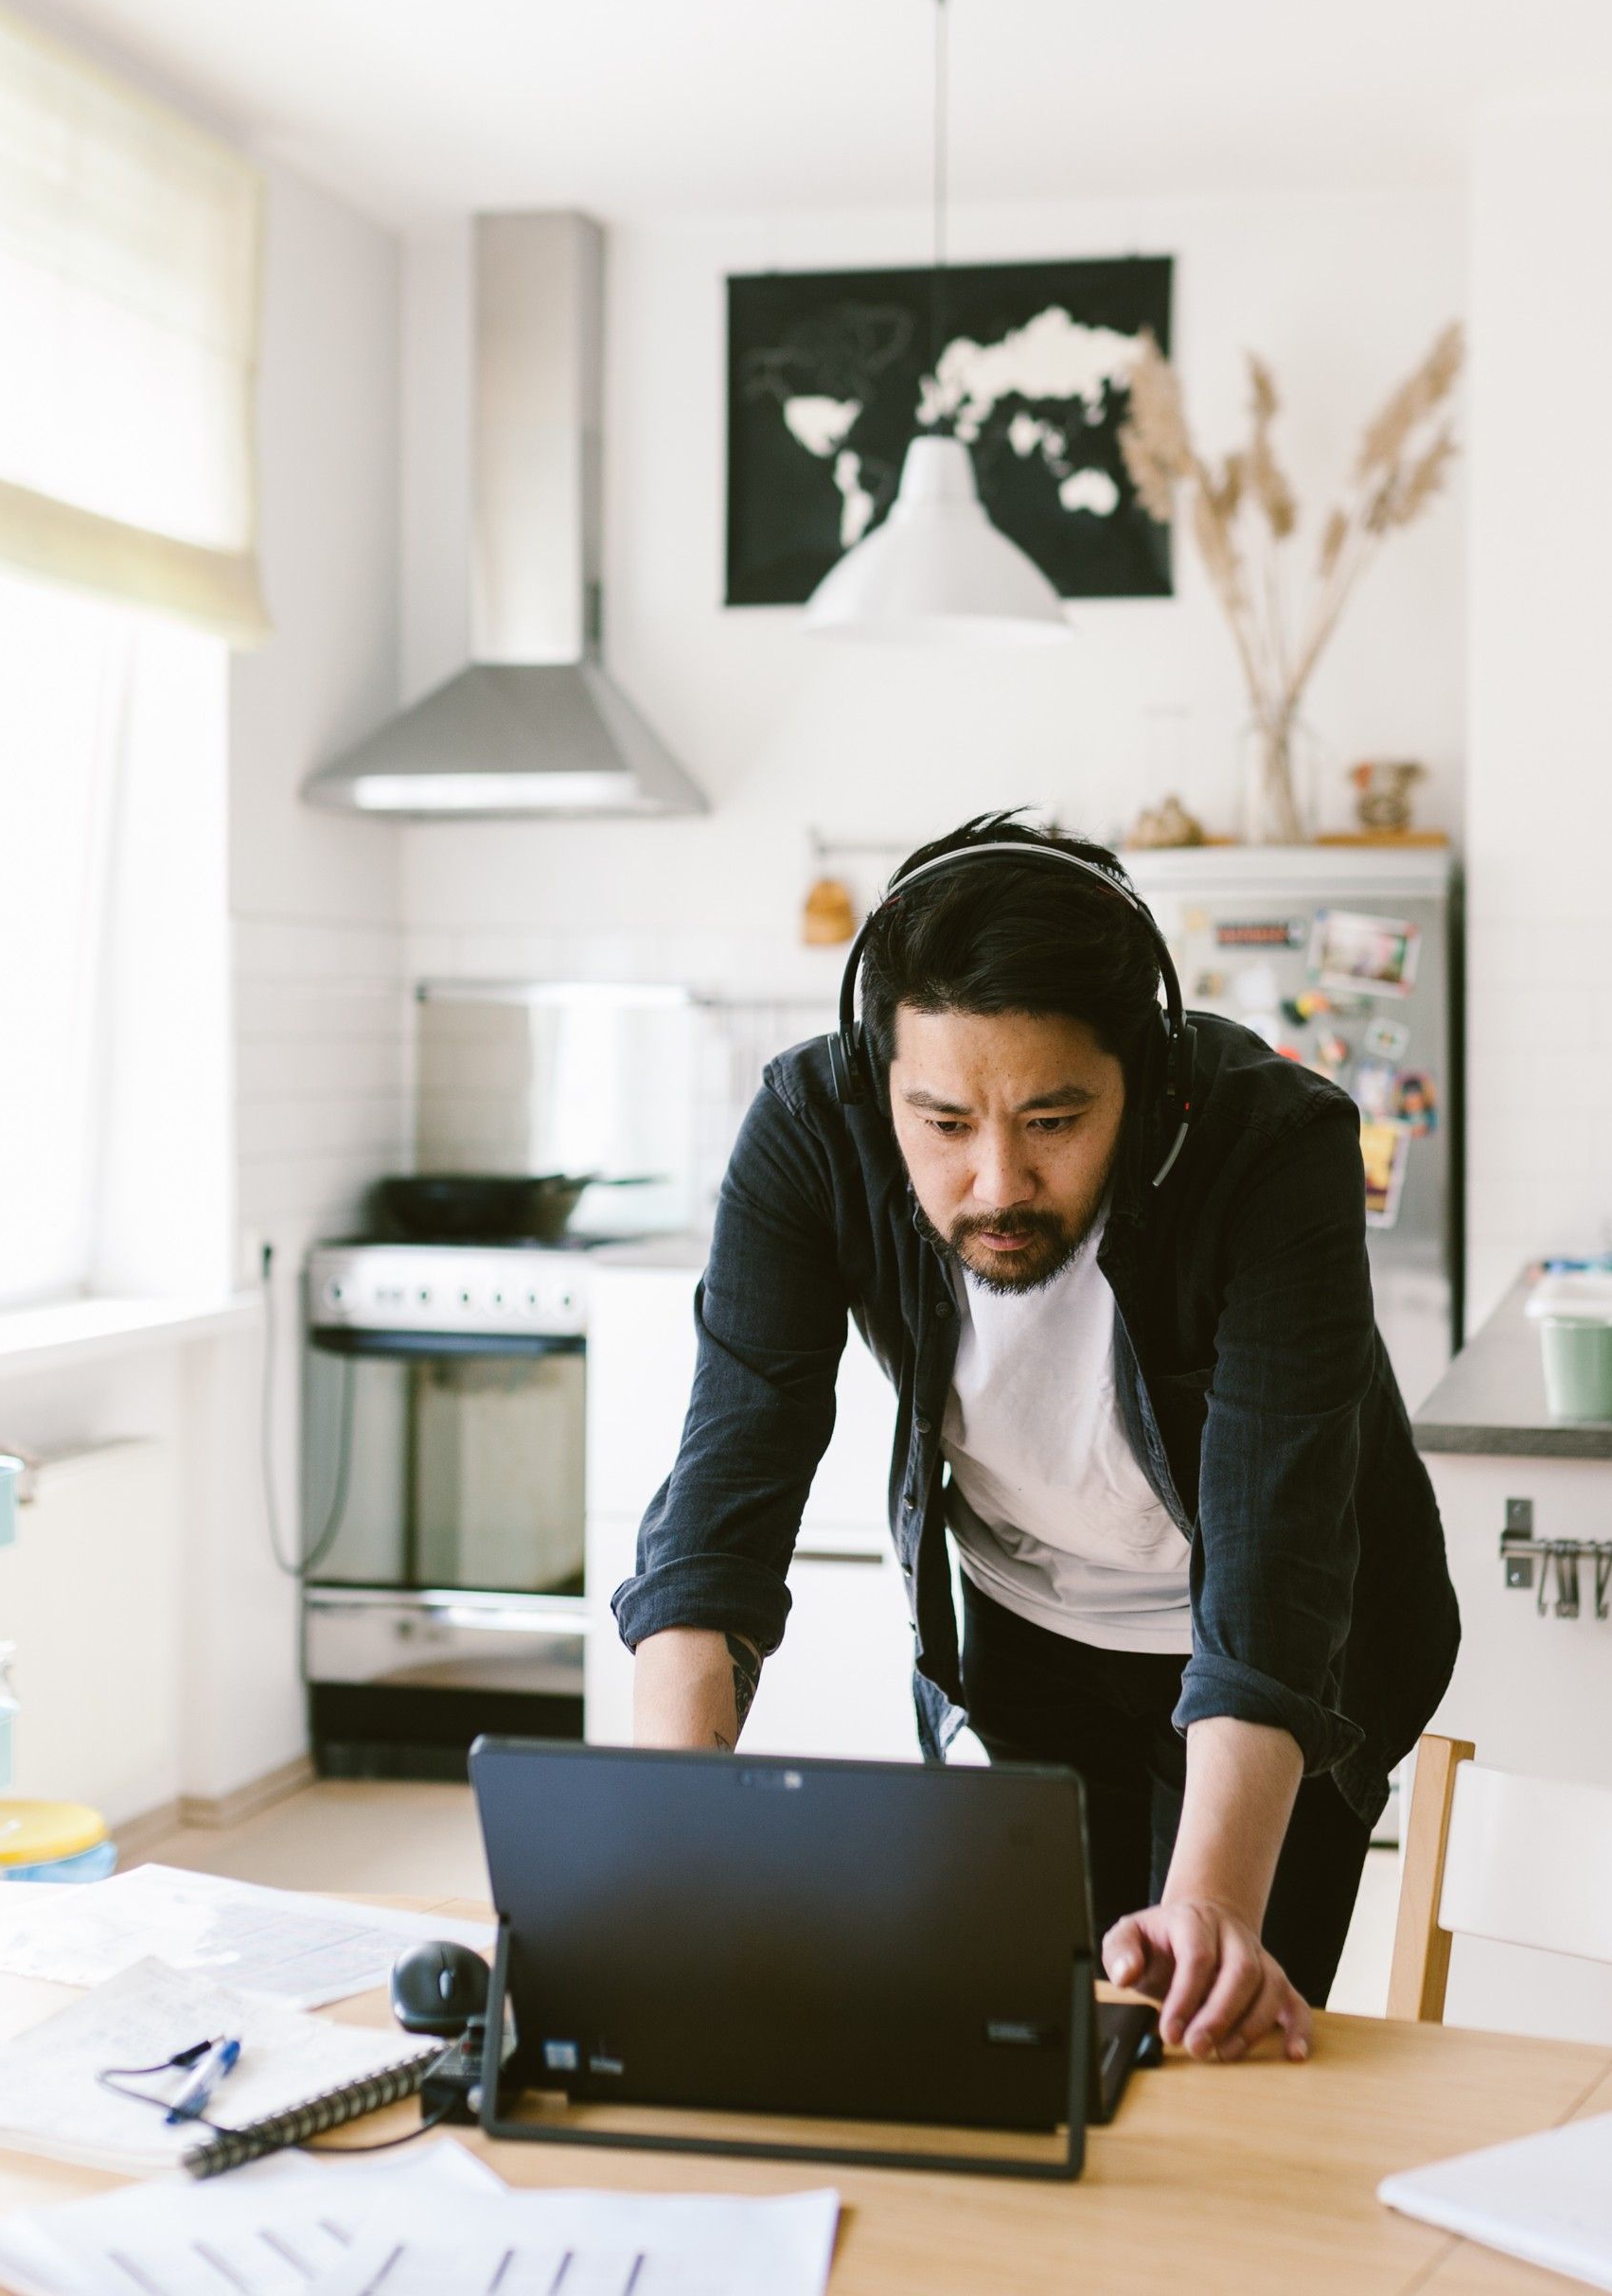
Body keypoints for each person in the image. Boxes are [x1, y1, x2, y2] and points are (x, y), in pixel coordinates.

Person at [613, 812, 1459, 2067]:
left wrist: (1214, 1912)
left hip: (1284, 1660)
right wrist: (662, 1842)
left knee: (1204, 2045)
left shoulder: (1272, 1148)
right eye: (944, 1124)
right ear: (878, 1080)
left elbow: (1280, 1553)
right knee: (1039, 2042)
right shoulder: (810, 1130)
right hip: (1032, 1632)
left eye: (1054, 1121)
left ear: (1151, 1081)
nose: (998, 1181)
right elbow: (729, 1482)